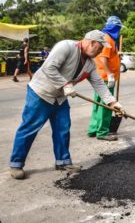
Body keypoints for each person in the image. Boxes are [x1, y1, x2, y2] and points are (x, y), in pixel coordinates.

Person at [9, 30, 125, 180]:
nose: (101, 51)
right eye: (100, 48)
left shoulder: (89, 64)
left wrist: (113, 102)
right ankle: (16, 163)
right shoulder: (66, 47)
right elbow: (48, 68)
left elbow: (99, 84)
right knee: (29, 128)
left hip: (60, 98)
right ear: (92, 43)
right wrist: (65, 84)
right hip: (41, 93)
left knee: (62, 129)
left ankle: (63, 161)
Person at [87, 16, 123, 141]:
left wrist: (117, 55)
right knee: (107, 105)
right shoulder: (108, 38)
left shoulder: (105, 37)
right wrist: (110, 74)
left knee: (97, 104)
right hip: (106, 77)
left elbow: (108, 55)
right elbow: (103, 58)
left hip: (100, 76)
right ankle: (102, 131)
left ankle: (93, 129)